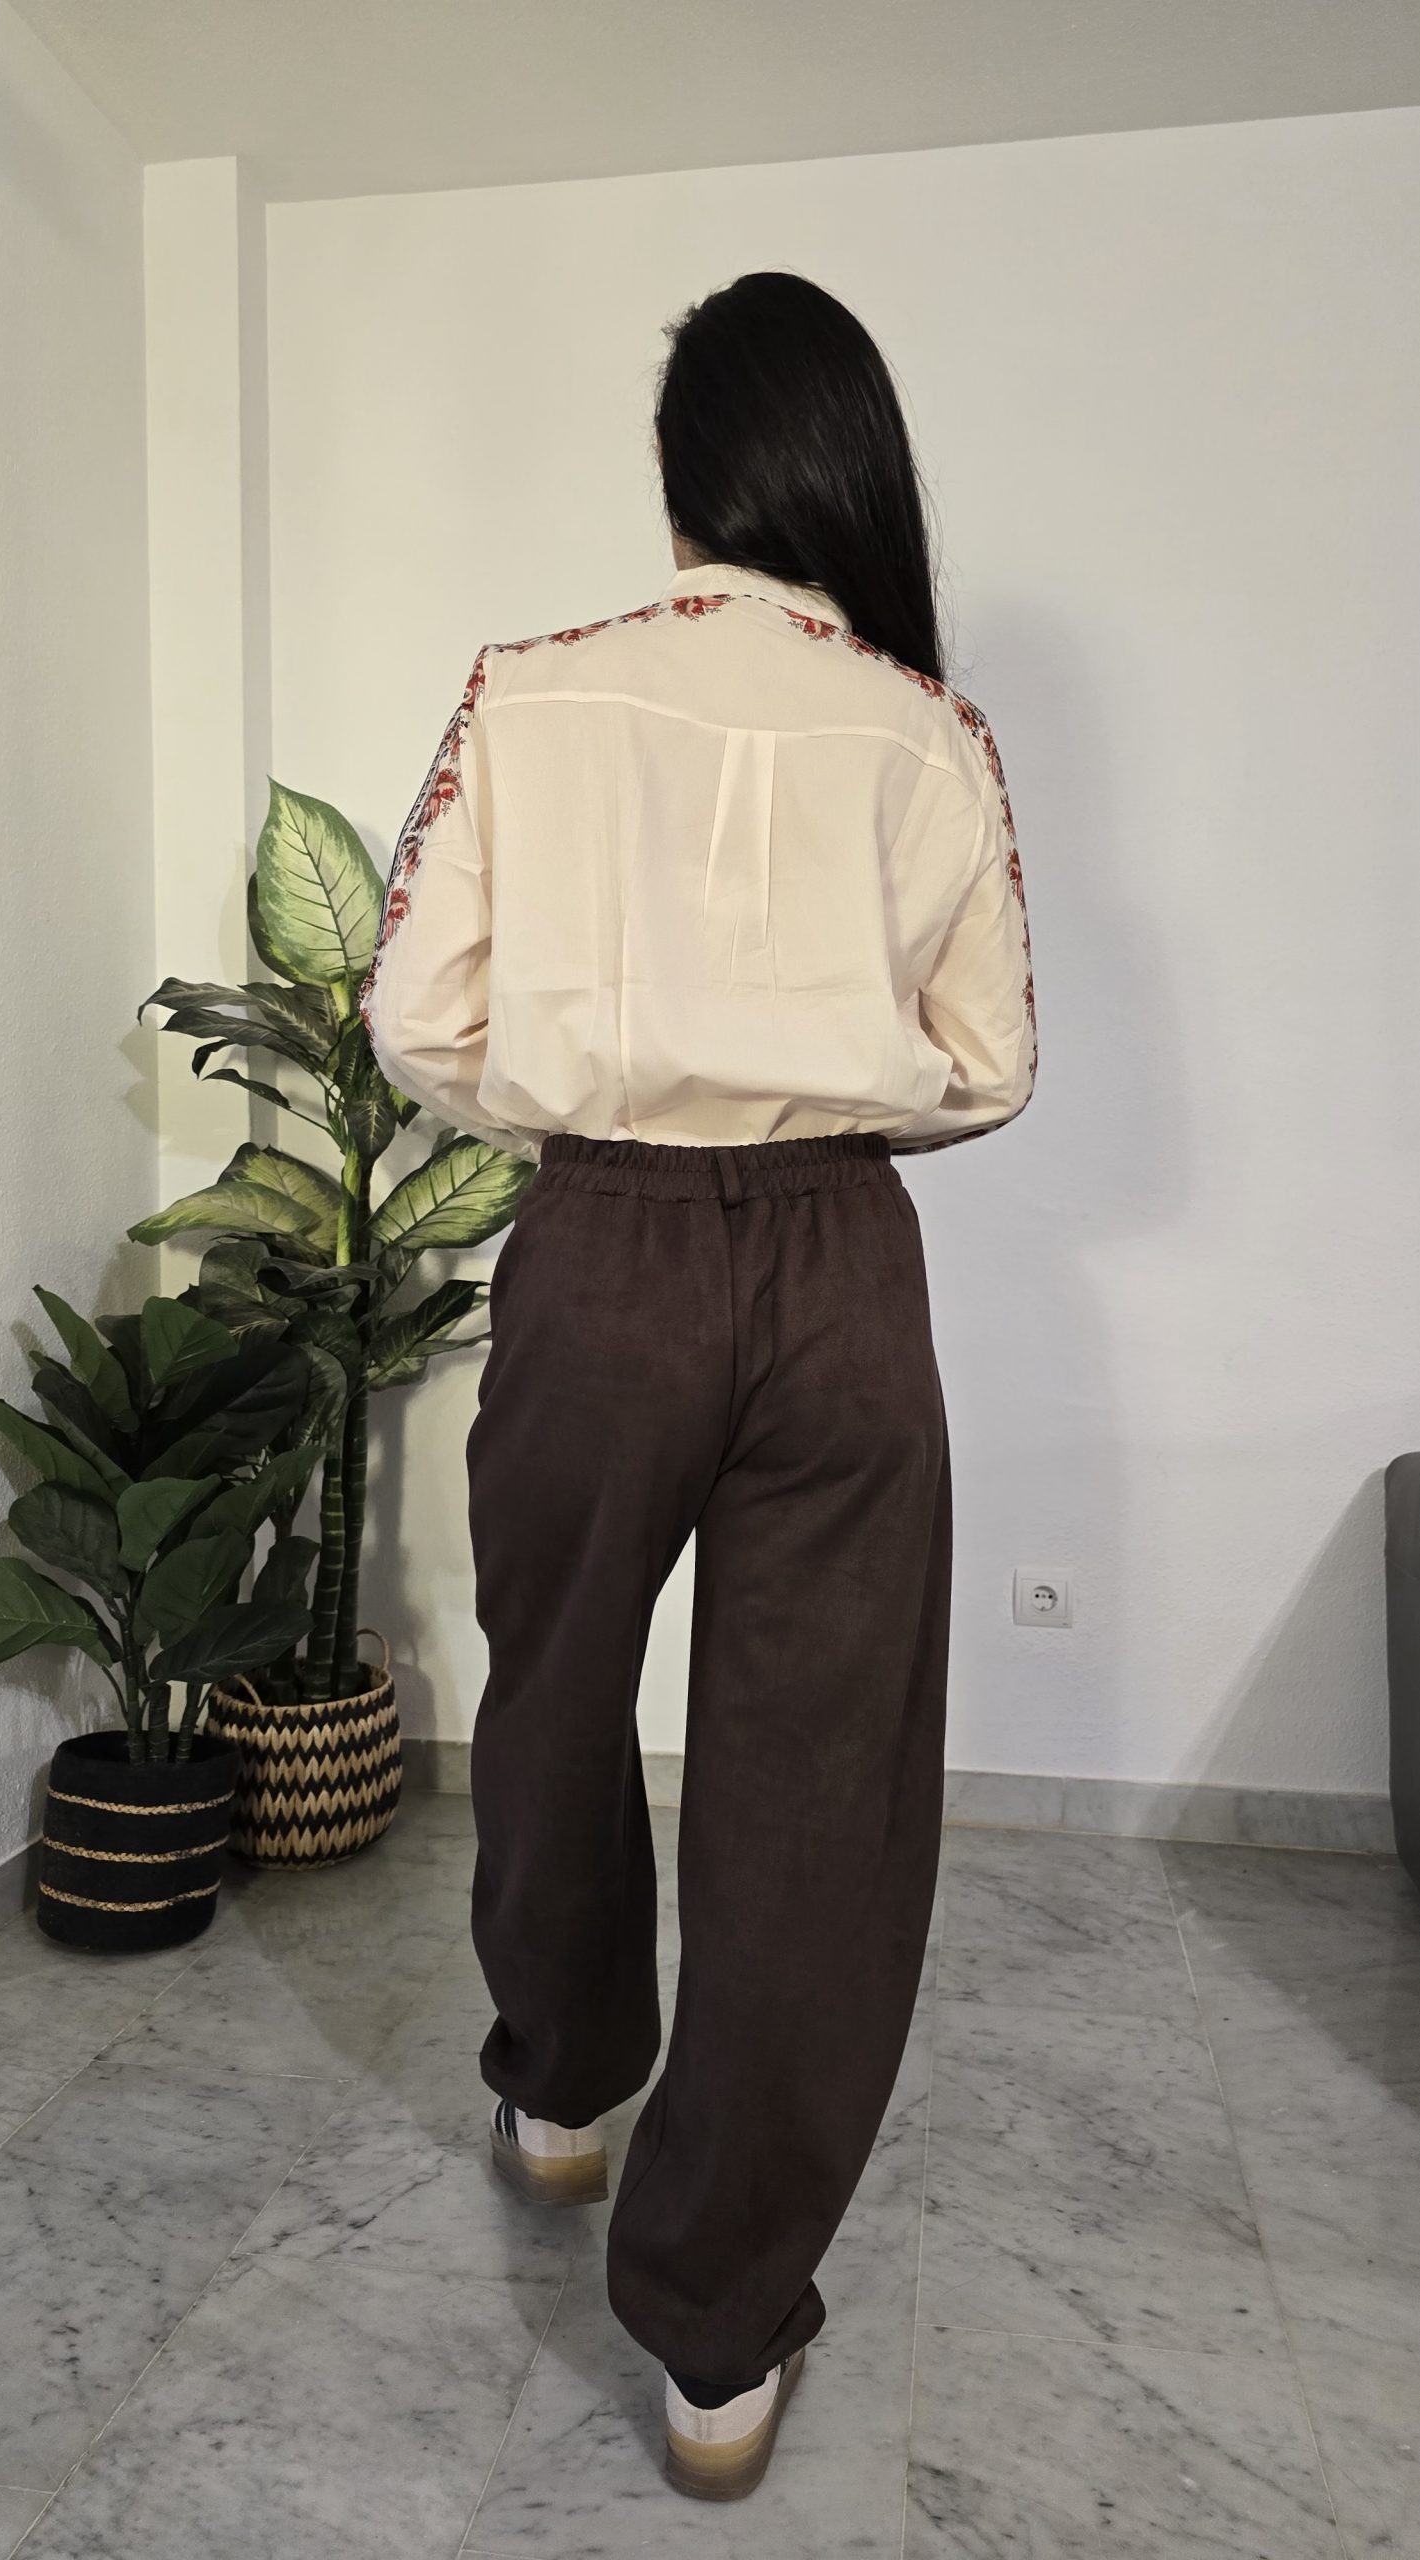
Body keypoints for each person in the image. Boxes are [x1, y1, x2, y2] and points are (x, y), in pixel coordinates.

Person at [362, 268, 1036, 2502]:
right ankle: (720, 2338)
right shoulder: (931, 736)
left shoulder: (529, 689)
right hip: (842, 1266)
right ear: (843, 469)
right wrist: (810, 1088)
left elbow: (415, 1016)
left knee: (554, 1689)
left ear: (683, 480)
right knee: (816, 1786)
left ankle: (565, 2091)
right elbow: (988, 1063)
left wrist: (588, 1095)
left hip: (607, 1249)